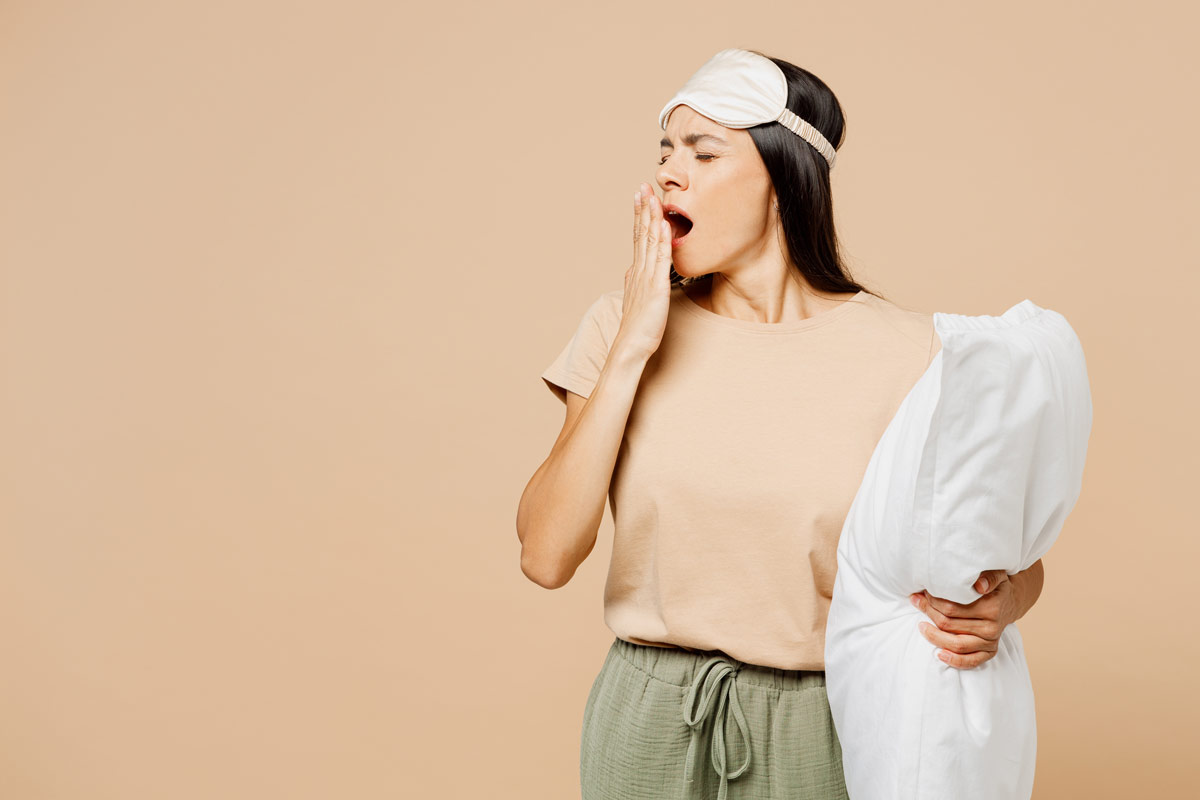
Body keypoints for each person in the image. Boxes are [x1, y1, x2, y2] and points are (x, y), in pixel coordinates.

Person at [515, 48, 1047, 800]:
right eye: (665, 151)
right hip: (649, 719)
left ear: (783, 180)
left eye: (704, 152)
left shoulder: (915, 354)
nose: (670, 172)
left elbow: (1003, 557)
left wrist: (1005, 602)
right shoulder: (620, 328)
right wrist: (634, 345)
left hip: (826, 721)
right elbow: (545, 554)